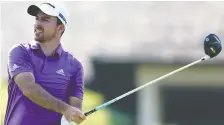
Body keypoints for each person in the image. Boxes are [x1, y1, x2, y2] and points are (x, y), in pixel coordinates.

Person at [4, 1, 86, 125]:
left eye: (45, 19)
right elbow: (29, 88)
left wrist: (74, 116)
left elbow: (75, 108)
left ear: (60, 27)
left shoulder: (74, 66)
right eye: (37, 18)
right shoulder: (20, 52)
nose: (37, 24)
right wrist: (65, 109)